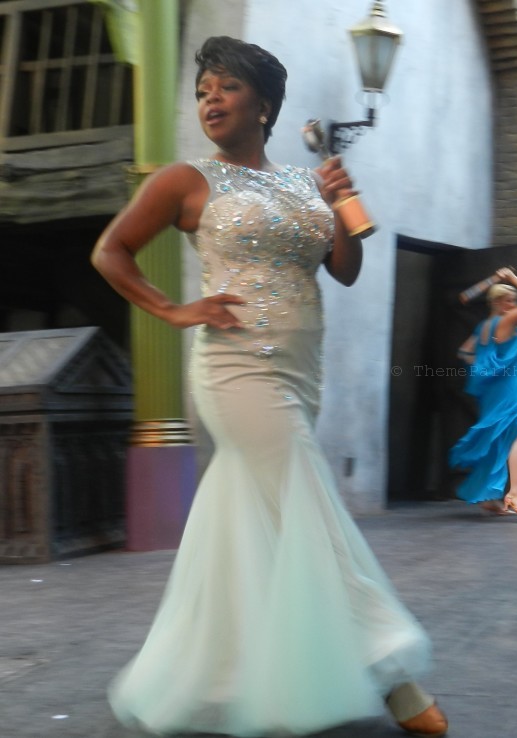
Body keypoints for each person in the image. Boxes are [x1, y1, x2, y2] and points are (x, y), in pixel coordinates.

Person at [91, 36, 448, 736]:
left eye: (225, 87)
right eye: (203, 92)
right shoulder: (185, 180)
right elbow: (111, 251)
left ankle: (221, 678)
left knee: (259, 519)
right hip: (236, 367)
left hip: (298, 368)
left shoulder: (301, 183)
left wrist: (344, 205)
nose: (210, 100)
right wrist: (174, 310)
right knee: (305, 500)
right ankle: (396, 679)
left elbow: (342, 269)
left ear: (265, 104)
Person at [449, 269, 517, 516]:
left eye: (514, 300)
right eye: (510, 300)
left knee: (500, 441)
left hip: (495, 392)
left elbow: (464, 352)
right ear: (498, 303)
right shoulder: (507, 321)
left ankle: (488, 497)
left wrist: (488, 368)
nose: (514, 304)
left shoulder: (483, 327)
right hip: (512, 389)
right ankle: (515, 493)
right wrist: (513, 278)